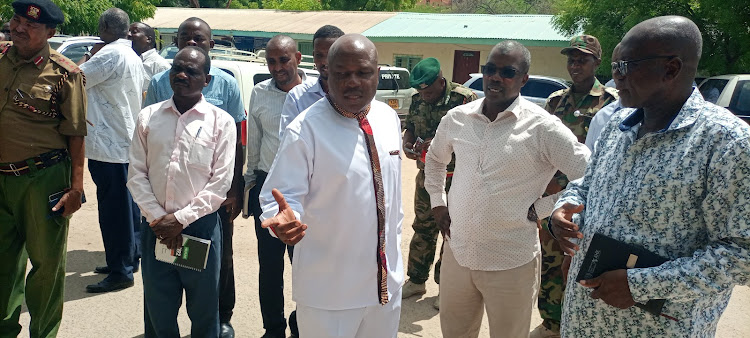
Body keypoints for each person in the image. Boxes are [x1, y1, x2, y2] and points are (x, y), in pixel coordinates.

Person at [550, 16, 750, 337]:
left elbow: (742, 253)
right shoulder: (619, 124)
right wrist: (567, 206)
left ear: (671, 69)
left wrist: (640, 285)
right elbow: (588, 185)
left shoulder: (726, 142)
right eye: (614, 67)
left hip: (656, 328)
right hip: (585, 318)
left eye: (625, 66)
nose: (616, 79)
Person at [423, 40, 589, 338]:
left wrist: (545, 208)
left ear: (524, 78)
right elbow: (435, 159)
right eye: (490, 70)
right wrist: (438, 201)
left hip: (511, 260)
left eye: (507, 72)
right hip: (458, 253)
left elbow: (591, 174)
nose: (495, 77)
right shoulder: (458, 117)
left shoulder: (542, 127)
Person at [259, 34, 404, 337]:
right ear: (326, 73)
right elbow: (280, 199)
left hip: (385, 286)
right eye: (342, 74)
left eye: (362, 72)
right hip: (330, 294)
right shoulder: (305, 129)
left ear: (376, 73)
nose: (352, 82)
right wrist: (285, 223)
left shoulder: (389, 118)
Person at [143, 17, 245, 338]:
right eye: (184, 37)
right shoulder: (162, 81)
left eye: (197, 38)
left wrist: (234, 188)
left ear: (210, 45)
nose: (190, 42)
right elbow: (147, 143)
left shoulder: (225, 84)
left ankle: (219, 318)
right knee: (160, 273)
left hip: (208, 203)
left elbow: (237, 138)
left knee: (216, 264)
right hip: (163, 199)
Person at [0, 1, 86, 336]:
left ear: (50, 32)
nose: (19, 28)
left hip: (43, 177)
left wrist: (76, 189)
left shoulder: (65, 73)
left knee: (47, 266)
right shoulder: (2, 60)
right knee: (3, 265)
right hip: (2, 179)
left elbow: (76, 135)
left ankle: (44, 333)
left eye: (30, 25)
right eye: (16, 20)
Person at [532, 34, 618, 338]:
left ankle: (573, 324)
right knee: (549, 263)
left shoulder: (611, 104)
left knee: (580, 261)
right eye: (571, 58)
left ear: (597, 62)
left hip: (587, 200)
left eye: (582, 59)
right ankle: (550, 324)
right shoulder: (555, 102)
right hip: (552, 198)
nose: (575, 64)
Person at [401, 57, 476, 310]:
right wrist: (408, 143)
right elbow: (410, 127)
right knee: (423, 226)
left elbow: (476, 137)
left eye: (429, 91)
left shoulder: (464, 99)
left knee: (451, 232)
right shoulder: (417, 100)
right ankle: (416, 280)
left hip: (457, 179)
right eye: (420, 92)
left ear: (440, 81)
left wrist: (437, 142)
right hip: (427, 177)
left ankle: (447, 288)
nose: (425, 96)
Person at [80, 7, 147, 294]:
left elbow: (75, 80)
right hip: (123, 142)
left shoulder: (108, 53)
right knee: (127, 208)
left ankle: (121, 270)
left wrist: (87, 56)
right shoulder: (131, 54)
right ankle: (128, 258)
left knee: (114, 211)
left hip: (109, 145)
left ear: (104, 27)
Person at [244, 34, 306, 338]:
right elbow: (253, 139)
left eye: (283, 59)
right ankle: (273, 328)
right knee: (269, 267)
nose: (277, 67)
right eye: (271, 61)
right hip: (267, 188)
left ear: (298, 58)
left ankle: (303, 324)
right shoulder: (259, 92)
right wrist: (249, 184)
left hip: (304, 192)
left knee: (305, 265)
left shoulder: (315, 93)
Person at [278, 24, 344, 137]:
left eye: (330, 55)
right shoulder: (297, 97)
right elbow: (288, 140)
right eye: (319, 55)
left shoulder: (356, 96)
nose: (324, 62)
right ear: (313, 56)